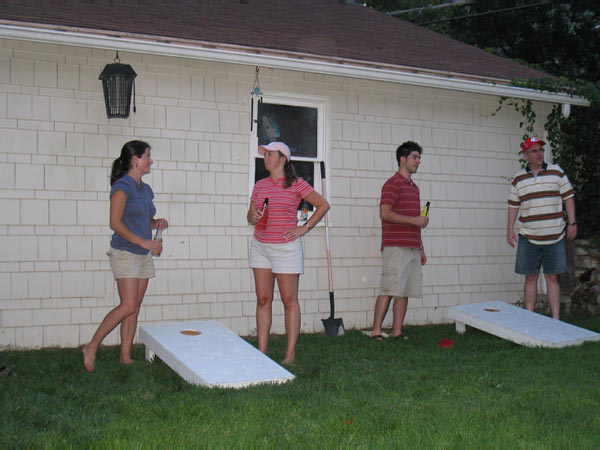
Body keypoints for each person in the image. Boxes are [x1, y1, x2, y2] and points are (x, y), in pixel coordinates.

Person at [83, 140, 168, 372]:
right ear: (135, 160)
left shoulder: (145, 189)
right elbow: (115, 223)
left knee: (135, 305)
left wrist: (156, 224)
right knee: (128, 304)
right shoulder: (122, 187)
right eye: (147, 156)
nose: (150, 161)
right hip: (125, 252)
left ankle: (125, 355)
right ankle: (91, 346)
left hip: (142, 253)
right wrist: (143, 241)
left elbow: (143, 221)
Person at [247, 142, 330, 364]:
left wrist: (305, 227)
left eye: (269, 154)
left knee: (289, 300)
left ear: (282, 158)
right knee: (263, 299)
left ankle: (289, 353)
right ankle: (262, 352)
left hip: (285, 248)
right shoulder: (260, 184)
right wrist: (252, 217)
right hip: (260, 246)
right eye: (264, 154)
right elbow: (250, 213)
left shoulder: (296, 184)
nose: (265, 157)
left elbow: (323, 205)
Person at [507, 137, 576, 320]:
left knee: (552, 278)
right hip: (528, 237)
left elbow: (568, 197)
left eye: (541, 150)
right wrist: (509, 230)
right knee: (530, 278)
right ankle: (529, 318)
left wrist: (572, 223)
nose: (539, 154)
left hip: (554, 236)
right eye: (535, 151)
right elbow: (513, 206)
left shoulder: (556, 172)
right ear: (526, 155)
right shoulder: (519, 178)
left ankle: (555, 320)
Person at [371, 141, 428, 341]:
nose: (418, 161)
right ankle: (376, 331)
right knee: (389, 288)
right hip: (395, 246)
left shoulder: (414, 188)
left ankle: (397, 332)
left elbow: (415, 221)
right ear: (402, 160)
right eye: (415, 157)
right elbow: (384, 213)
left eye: (419, 158)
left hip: (412, 246)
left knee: (404, 291)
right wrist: (415, 220)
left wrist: (420, 248)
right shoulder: (392, 184)